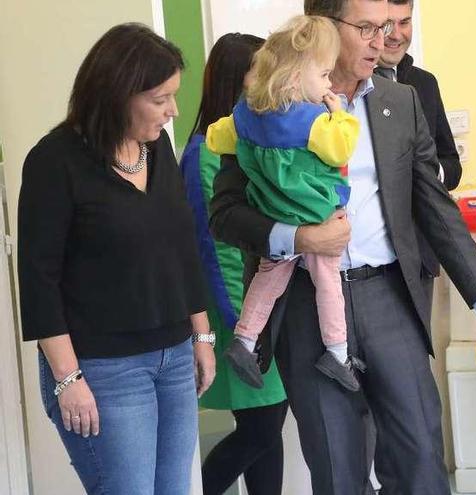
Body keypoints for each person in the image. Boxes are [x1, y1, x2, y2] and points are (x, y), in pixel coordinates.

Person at [209, 0, 476, 493]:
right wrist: (298, 238)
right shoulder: (266, 106)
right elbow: (225, 214)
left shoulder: (400, 103)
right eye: (366, 28)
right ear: (325, 29)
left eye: (386, 26)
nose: (383, 40)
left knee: (421, 456)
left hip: (390, 298)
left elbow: (437, 210)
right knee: (337, 472)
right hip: (303, 305)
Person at [17, 23, 214, 494]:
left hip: (173, 355)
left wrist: (201, 335)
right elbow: (39, 279)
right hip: (104, 368)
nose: (173, 112)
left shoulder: (157, 148)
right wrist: (68, 380)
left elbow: (181, 246)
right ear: (117, 93)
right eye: (160, 98)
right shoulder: (54, 161)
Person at [206, 16, 361, 391]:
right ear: (295, 78)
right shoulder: (314, 121)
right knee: (329, 284)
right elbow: (342, 146)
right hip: (317, 212)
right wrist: (339, 112)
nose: (329, 83)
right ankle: (338, 352)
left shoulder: (244, 114)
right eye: (324, 75)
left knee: (267, 278)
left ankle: (244, 340)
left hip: (274, 213)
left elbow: (215, 138)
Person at [179, 32, 290, 495]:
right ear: (236, 77)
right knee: (261, 427)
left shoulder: (241, 143)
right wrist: (247, 328)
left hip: (258, 309)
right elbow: (215, 250)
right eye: (261, 70)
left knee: (268, 425)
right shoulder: (206, 151)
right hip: (238, 312)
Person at [374, 0, 462, 317]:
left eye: (405, 22)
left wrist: (427, 169)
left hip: (419, 254)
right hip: (368, 257)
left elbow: (451, 165)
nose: (396, 35)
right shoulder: (348, 85)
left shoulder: (425, 83)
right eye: (387, 25)